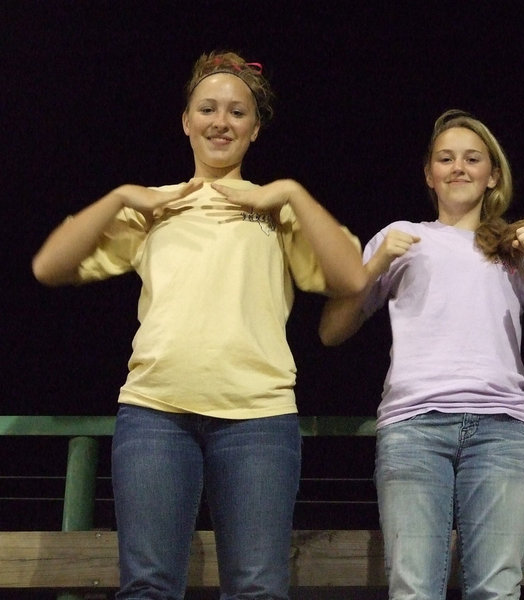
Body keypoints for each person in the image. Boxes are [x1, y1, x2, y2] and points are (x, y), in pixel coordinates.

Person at [31, 50, 367, 599]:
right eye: (207, 108)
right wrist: (121, 196)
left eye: (237, 112)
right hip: (156, 413)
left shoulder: (275, 208)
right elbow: (49, 267)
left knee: (258, 587)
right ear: (186, 121)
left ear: (255, 128)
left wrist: (291, 193)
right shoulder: (155, 206)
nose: (221, 121)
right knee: (147, 586)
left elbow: (352, 278)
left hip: (258, 417)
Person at [319, 109, 524, 599]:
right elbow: (332, 332)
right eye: (446, 158)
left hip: (502, 430)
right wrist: (377, 262)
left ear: (493, 176)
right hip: (414, 427)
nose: (459, 167)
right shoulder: (402, 236)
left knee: (497, 589)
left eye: (472, 158)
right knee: (414, 588)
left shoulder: (511, 246)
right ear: (429, 173)